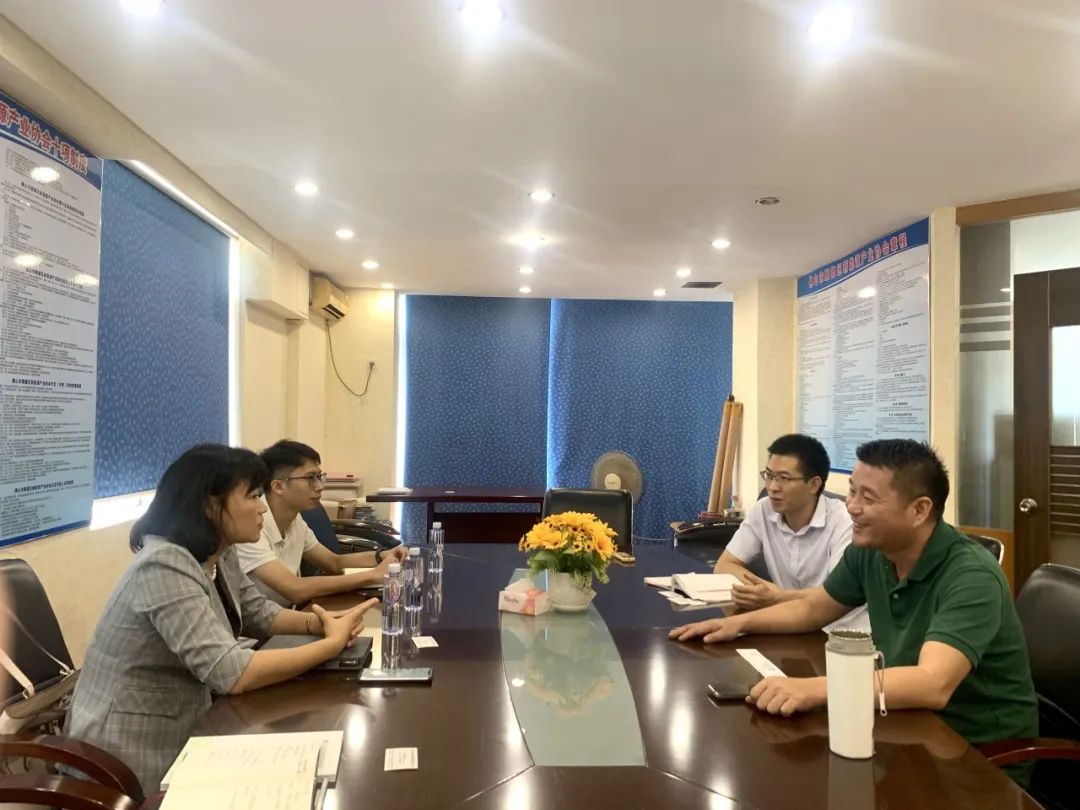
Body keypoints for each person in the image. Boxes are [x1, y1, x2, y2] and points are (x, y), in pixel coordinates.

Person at [672, 439, 1037, 752]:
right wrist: (738, 624)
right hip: (905, 721)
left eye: (868, 498)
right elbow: (814, 609)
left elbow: (933, 684)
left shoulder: (971, 575)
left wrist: (813, 689)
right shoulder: (871, 551)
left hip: (974, 751)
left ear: (920, 509)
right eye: (851, 491)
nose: (852, 507)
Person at [64, 444, 378, 793]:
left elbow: (260, 612)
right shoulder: (164, 563)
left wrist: (318, 624)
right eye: (253, 496)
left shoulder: (219, 554)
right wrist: (330, 646)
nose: (262, 507)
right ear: (211, 506)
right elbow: (233, 673)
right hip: (128, 750)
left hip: (190, 720)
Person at [714, 434, 865, 628]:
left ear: (814, 484)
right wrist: (763, 592)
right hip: (792, 621)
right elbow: (725, 564)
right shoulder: (763, 510)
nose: (772, 487)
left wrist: (778, 597)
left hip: (842, 630)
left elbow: (834, 594)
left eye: (784, 478)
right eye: (769, 476)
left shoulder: (844, 521)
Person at [235, 440, 407, 607]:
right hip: (262, 626)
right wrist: (373, 575)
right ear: (278, 486)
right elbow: (295, 589)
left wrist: (383, 555)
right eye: (310, 478)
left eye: (319, 477)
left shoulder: (295, 520)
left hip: (288, 616)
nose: (320, 487)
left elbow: (334, 562)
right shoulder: (249, 527)